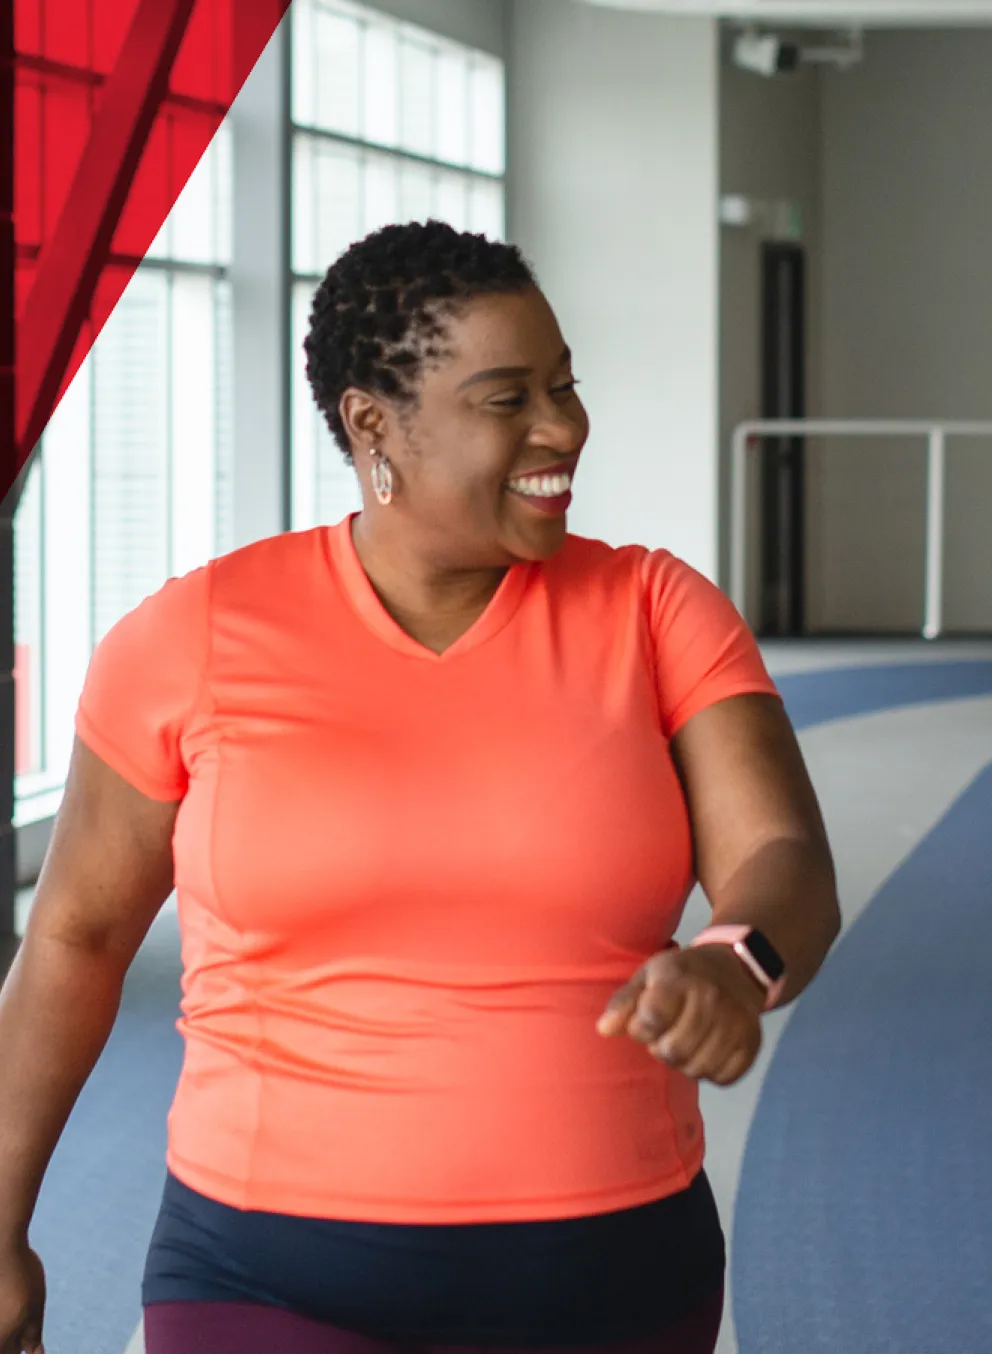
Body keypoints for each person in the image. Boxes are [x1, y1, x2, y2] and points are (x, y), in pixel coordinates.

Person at [0, 221, 840, 1354]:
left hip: (612, 1276)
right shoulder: (192, 636)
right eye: (508, 399)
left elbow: (783, 860)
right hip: (260, 1274)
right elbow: (77, 936)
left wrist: (733, 960)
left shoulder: (653, 609)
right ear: (371, 424)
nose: (562, 428)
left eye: (564, 385)